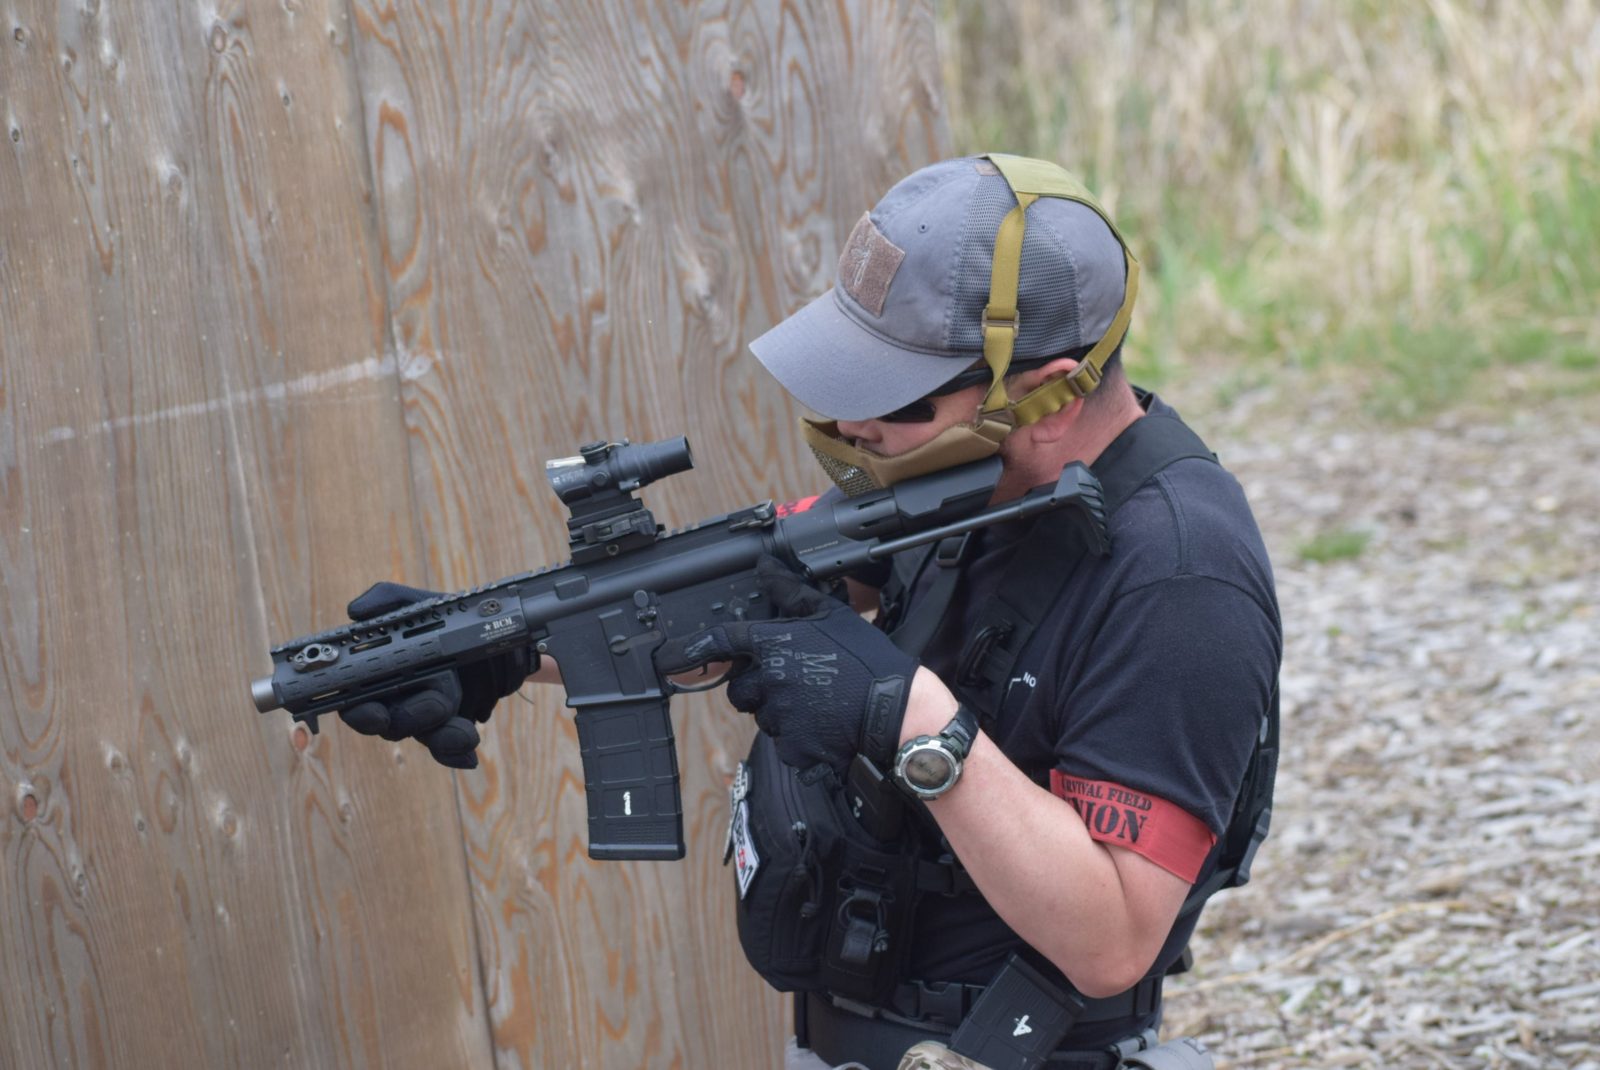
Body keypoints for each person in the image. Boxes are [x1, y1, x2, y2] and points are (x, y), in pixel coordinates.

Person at [339, 154, 1281, 1070]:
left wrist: (910, 720)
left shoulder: (1181, 578)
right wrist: (502, 645)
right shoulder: (959, 481)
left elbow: (1114, 937)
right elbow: (738, 596)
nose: (850, 428)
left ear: (1044, 396)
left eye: (891, 399)